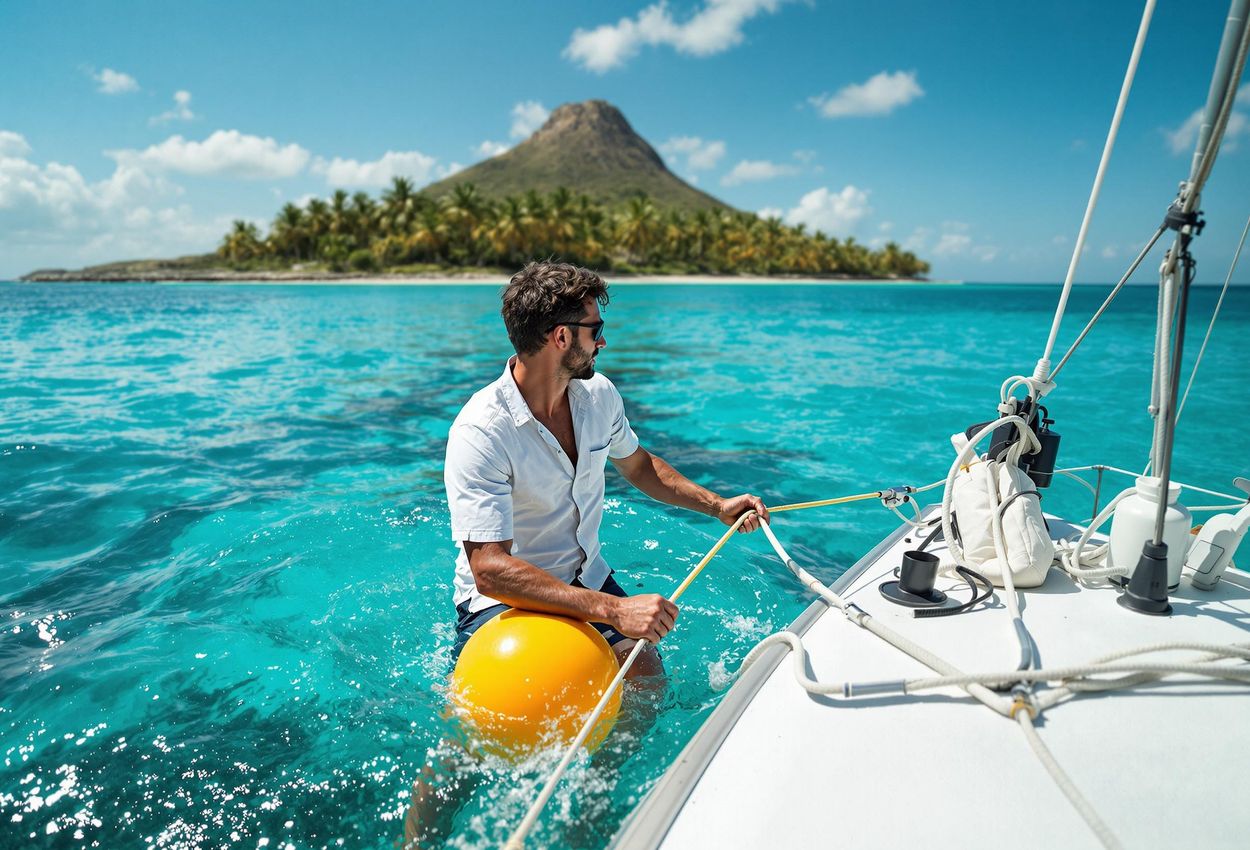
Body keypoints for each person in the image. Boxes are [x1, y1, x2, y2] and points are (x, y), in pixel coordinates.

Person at [404, 261, 769, 848]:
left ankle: (589, 806)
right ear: (560, 337)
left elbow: (639, 464)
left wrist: (716, 504)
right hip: (506, 603)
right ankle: (415, 844)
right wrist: (612, 610)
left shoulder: (597, 396)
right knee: (473, 744)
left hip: (585, 576)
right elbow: (489, 569)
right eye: (596, 327)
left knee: (646, 680)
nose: (604, 339)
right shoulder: (481, 431)